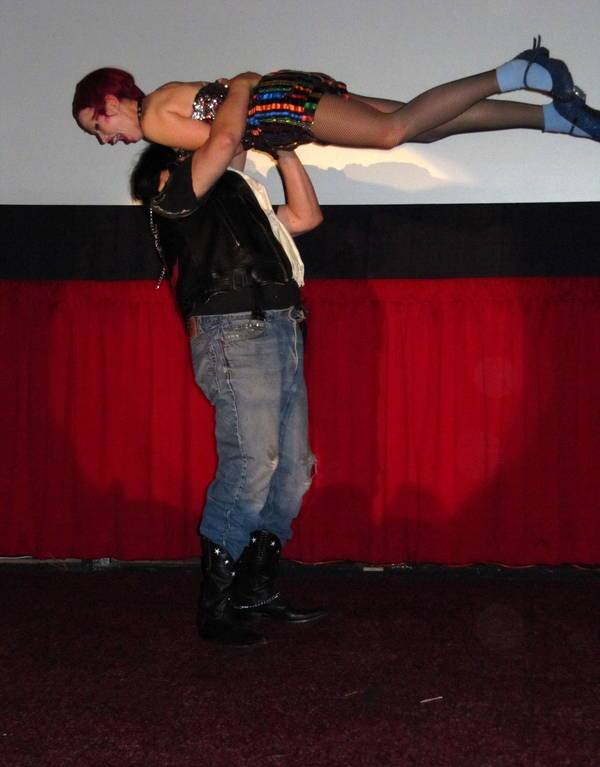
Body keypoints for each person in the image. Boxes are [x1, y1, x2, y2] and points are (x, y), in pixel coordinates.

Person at [130, 73, 326, 647]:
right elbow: (221, 140)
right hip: (236, 329)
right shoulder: (174, 187)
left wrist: (284, 151)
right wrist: (239, 91)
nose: (231, 138)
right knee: (253, 462)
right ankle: (215, 606)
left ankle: (255, 589)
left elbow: (306, 217)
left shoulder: (241, 197)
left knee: (292, 468)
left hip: (280, 324)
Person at [74, 39, 600, 155]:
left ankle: (520, 71)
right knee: (419, 125)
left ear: (111, 103)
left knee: (391, 133)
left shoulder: (157, 121)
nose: (105, 138)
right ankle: (555, 118)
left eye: (98, 125)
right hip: (282, 96)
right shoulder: (165, 94)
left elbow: (226, 144)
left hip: (278, 107)